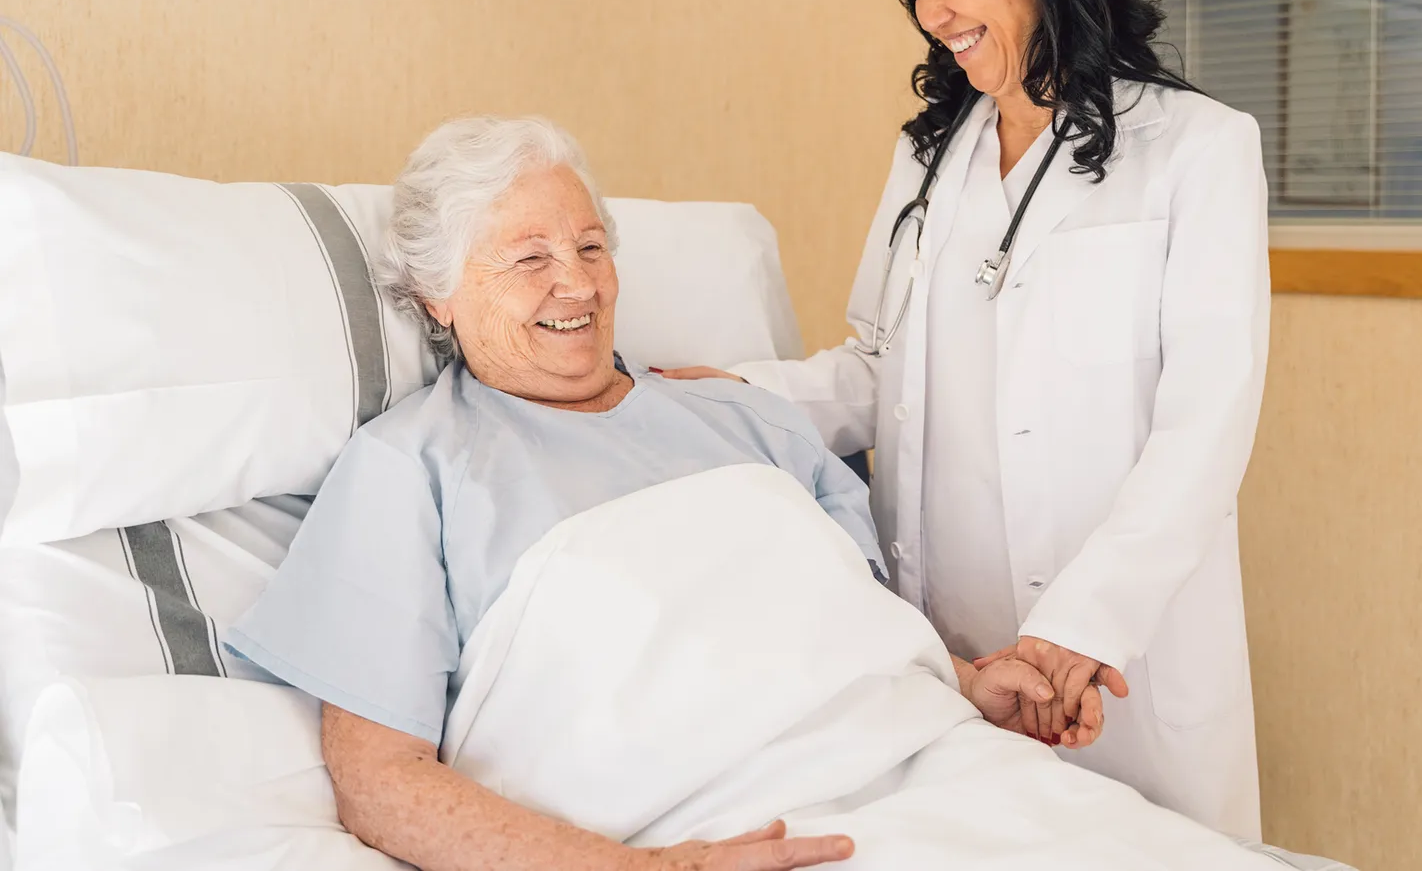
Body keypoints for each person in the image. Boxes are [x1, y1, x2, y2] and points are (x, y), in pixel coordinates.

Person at [222, 116, 1066, 871]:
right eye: (530, 259)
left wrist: (964, 681)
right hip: (704, 827)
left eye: (591, 248)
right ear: (438, 296)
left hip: (948, 778)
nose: (580, 285)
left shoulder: (747, 418)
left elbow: (844, 629)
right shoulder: (407, 468)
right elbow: (381, 785)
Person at [666, 0, 1270, 839]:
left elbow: (1205, 425)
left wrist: (1079, 629)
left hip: (1119, 647)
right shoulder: (927, 155)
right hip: (955, 643)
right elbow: (879, 371)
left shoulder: (1197, 149)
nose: (929, 12)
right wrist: (727, 397)